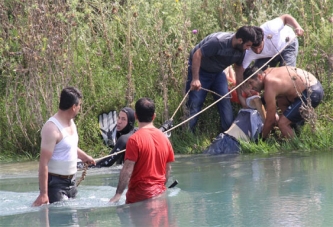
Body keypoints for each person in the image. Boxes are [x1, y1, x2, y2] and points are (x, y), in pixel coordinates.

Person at [185, 26, 261, 132]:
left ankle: (227, 135)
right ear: (240, 40)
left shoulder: (241, 50)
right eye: (248, 45)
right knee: (195, 103)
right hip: (201, 71)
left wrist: (240, 95)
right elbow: (197, 55)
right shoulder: (218, 42)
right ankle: (187, 134)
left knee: (225, 100)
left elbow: (238, 69)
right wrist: (195, 79)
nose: (248, 48)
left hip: (218, 73)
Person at [32, 87, 96, 206]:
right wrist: (43, 194)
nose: (80, 108)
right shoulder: (52, 129)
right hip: (55, 185)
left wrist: (84, 157)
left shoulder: (71, 123)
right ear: (73, 107)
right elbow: (43, 163)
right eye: (79, 105)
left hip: (72, 182)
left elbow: (68, 146)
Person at [109, 97, 175, 204]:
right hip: (159, 196)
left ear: (135, 116)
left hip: (138, 197)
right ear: (154, 116)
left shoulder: (134, 139)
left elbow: (127, 170)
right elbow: (167, 169)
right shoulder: (165, 139)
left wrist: (118, 195)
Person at [235, 14, 304, 107]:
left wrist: (297, 27)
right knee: (256, 75)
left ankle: (286, 102)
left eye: (259, 47)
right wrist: (241, 92)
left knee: (287, 75)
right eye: (253, 48)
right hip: (268, 55)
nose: (257, 51)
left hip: (287, 44)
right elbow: (240, 69)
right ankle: (260, 100)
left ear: (263, 39)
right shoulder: (249, 52)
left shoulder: (270, 29)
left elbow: (286, 17)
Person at [243, 66, 324, 139]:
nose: (251, 87)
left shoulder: (270, 86)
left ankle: (298, 147)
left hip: (312, 92)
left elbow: (270, 119)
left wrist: (261, 138)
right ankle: (295, 127)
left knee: (282, 123)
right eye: (248, 85)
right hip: (312, 86)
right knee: (281, 99)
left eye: (251, 82)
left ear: (260, 76)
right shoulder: (268, 71)